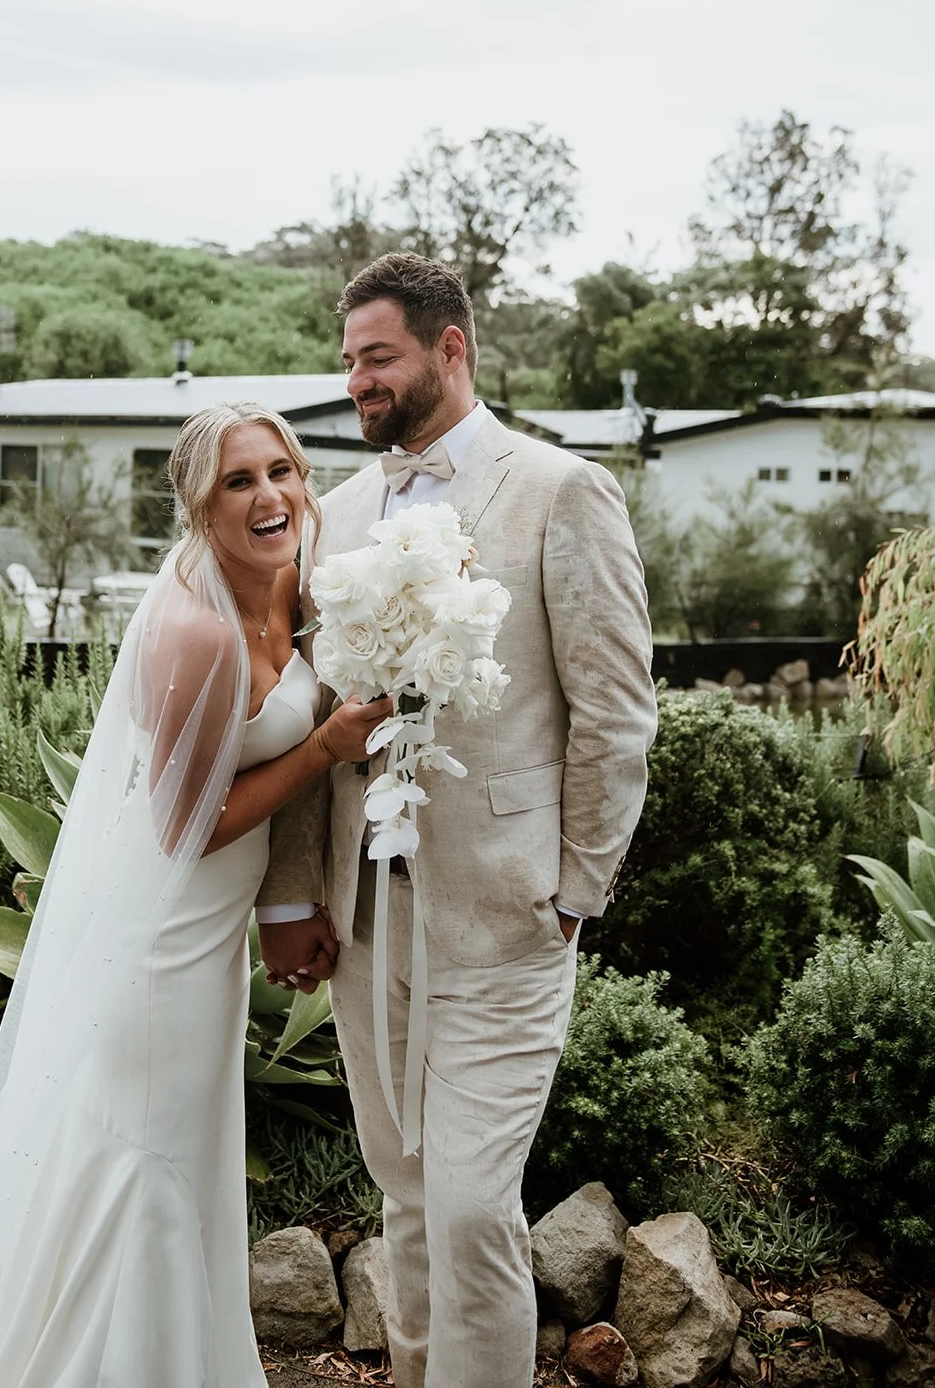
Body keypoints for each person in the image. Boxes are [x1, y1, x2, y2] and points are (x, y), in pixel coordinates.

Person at [0, 402, 388, 1388]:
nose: (269, 495)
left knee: (181, 1160)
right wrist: (325, 746)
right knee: (147, 1163)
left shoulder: (296, 585)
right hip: (161, 943)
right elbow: (183, 825)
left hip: (213, 938)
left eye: (278, 469)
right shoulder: (192, 632)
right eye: (237, 481)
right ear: (198, 508)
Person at [258, 253, 658, 1388]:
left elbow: (615, 712)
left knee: (474, 1204)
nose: (357, 383)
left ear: (448, 347)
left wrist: (575, 887)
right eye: (346, 363)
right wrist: (293, 895)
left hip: (504, 910)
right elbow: (307, 719)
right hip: (364, 914)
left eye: (376, 357)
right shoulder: (330, 517)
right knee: (405, 1191)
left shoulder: (559, 490)